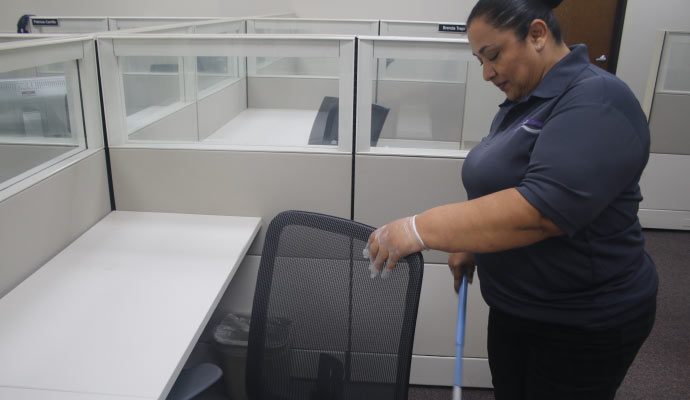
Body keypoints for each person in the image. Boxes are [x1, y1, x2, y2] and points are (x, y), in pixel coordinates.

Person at [364, 0, 658, 398]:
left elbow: (541, 210)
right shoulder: (526, 97)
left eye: (494, 55)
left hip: (583, 320)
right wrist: (473, 244)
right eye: (479, 60)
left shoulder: (598, 100)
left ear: (537, 34)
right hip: (520, 306)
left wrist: (419, 229)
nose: (486, 73)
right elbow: (506, 181)